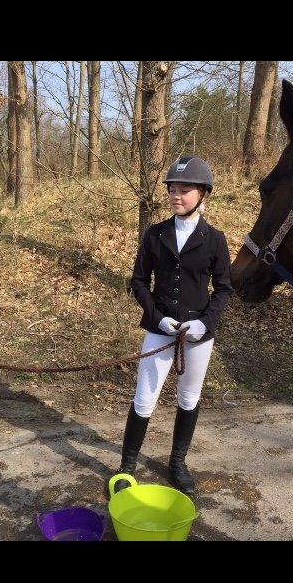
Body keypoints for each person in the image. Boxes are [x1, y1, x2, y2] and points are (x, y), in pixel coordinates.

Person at [116, 155, 233, 495]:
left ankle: (177, 462)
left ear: (203, 194)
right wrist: (158, 318)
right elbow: (138, 282)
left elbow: (224, 288)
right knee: (144, 399)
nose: (175, 196)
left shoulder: (215, 239)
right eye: (172, 190)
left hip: (198, 337)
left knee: (189, 399)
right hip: (159, 331)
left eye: (184, 190)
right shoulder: (155, 234)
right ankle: (126, 467)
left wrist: (205, 323)